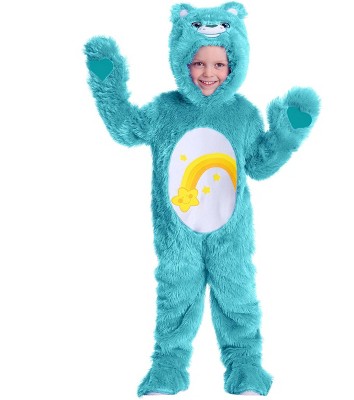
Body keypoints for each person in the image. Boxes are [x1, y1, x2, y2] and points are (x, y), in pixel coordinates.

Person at [84, 2, 319, 397]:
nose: (208, 73)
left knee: (238, 298)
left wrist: (286, 133)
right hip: (178, 236)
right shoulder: (165, 110)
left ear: (234, 65)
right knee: (175, 298)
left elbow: (260, 164)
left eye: (219, 65)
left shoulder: (243, 115)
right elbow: (126, 128)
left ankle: (246, 366)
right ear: (182, 62)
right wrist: (107, 82)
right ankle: (168, 367)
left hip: (231, 235)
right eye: (198, 63)